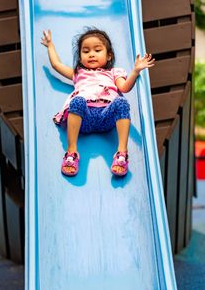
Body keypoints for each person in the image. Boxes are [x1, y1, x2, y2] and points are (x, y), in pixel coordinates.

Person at [41, 27, 155, 177]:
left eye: (97, 50)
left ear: (109, 56)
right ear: (80, 57)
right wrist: (50, 46)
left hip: (105, 117)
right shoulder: (79, 73)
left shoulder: (114, 72)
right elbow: (57, 65)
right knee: (77, 101)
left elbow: (125, 87)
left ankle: (121, 153)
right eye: (86, 51)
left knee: (121, 102)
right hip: (84, 119)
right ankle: (71, 152)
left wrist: (135, 71)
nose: (91, 54)